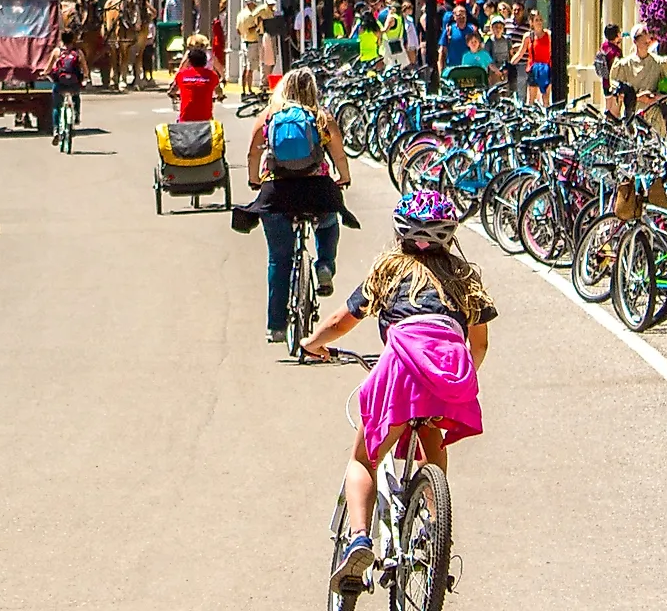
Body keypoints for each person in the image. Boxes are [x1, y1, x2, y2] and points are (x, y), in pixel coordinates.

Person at [300, 189, 494, 597]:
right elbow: (479, 343)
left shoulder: (389, 271)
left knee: (364, 458)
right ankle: (434, 532)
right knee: (431, 440)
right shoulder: (463, 277)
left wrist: (313, 343)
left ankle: (358, 540)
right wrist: (462, 377)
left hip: (401, 368)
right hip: (449, 372)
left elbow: (340, 320)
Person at [236, 68, 351, 344]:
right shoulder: (321, 118)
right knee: (328, 220)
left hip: (277, 191)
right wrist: (343, 178)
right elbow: (339, 155)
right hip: (315, 189)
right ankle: (324, 264)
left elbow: (253, 152)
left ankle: (276, 326)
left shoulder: (269, 117)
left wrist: (254, 180)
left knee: (279, 257)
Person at [170, 44, 220, 123]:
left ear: (189, 62)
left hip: (185, 119)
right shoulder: (212, 75)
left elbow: (173, 90)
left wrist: (172, 94)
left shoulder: (181, 75)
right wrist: (220, 96)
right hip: (205, 119)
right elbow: (218, 91)